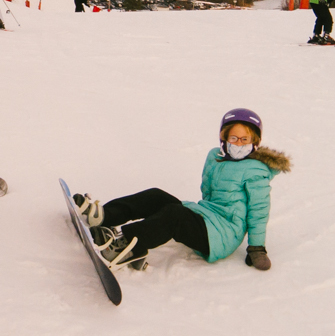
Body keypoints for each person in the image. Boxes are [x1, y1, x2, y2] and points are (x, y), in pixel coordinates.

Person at [73, 108, 291, 272]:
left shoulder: (256, 171)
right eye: (233, 138)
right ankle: (105, 216)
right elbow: (208, 193)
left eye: (245, 139)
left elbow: (258, 210)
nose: (239, 143)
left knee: (173, 216)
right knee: (157, 197)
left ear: (256, 142)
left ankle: (126, 247)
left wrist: (256, 248)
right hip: (206, 216)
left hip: (222, 235)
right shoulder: (215, 157)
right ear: (224, 138)